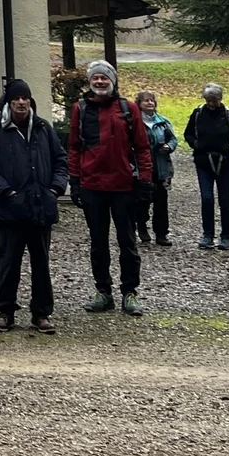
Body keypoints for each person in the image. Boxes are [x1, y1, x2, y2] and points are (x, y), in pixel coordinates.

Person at [67, 60, 152, 316]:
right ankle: (103, 291)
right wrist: (74, 181)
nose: (100, 81)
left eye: (105, 77)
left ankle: (130, 292)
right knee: (98, 242)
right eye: (96, 78)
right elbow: (73, 147)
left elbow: (142, 147)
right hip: (92, 185)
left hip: (123, 185)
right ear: (90, 82)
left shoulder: (129, 109)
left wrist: (145, 181)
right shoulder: (80, 109)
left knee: (127, 241)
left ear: (112, 81)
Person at [0, 78, 66, 334]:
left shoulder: (42, 128)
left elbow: (60, 159)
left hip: (41, 206)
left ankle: (41, 313)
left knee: (41, 263)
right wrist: (6, 191)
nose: (21, 102)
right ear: (8, 102)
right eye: (16, 98)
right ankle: (5, 311)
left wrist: (55, 189)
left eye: (25, 98)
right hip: (9, 208)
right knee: (8, 262)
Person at [185, 82, 229, 249]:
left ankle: (226, 236)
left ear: (220, 99)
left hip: (225, 163)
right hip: (204, 162)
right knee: (207, 199)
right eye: (208, 100)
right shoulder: (198, 113)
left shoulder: (228, 115)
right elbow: (188, 134)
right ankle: (207, 235)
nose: (211, 104)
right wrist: (197, 145)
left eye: (214, 100)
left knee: (224, 199)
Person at [133, 89, 178, 247]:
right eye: (146, 100)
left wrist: (169, 146)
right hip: (142, 168)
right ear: (139, 104)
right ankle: (142, 228)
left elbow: (173, 139)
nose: (150, 103)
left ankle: (161, 233)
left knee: (161, 202)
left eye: (152, 100)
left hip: (161, 167)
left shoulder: (163, 121)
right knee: (142, 202)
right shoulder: (134, 122)